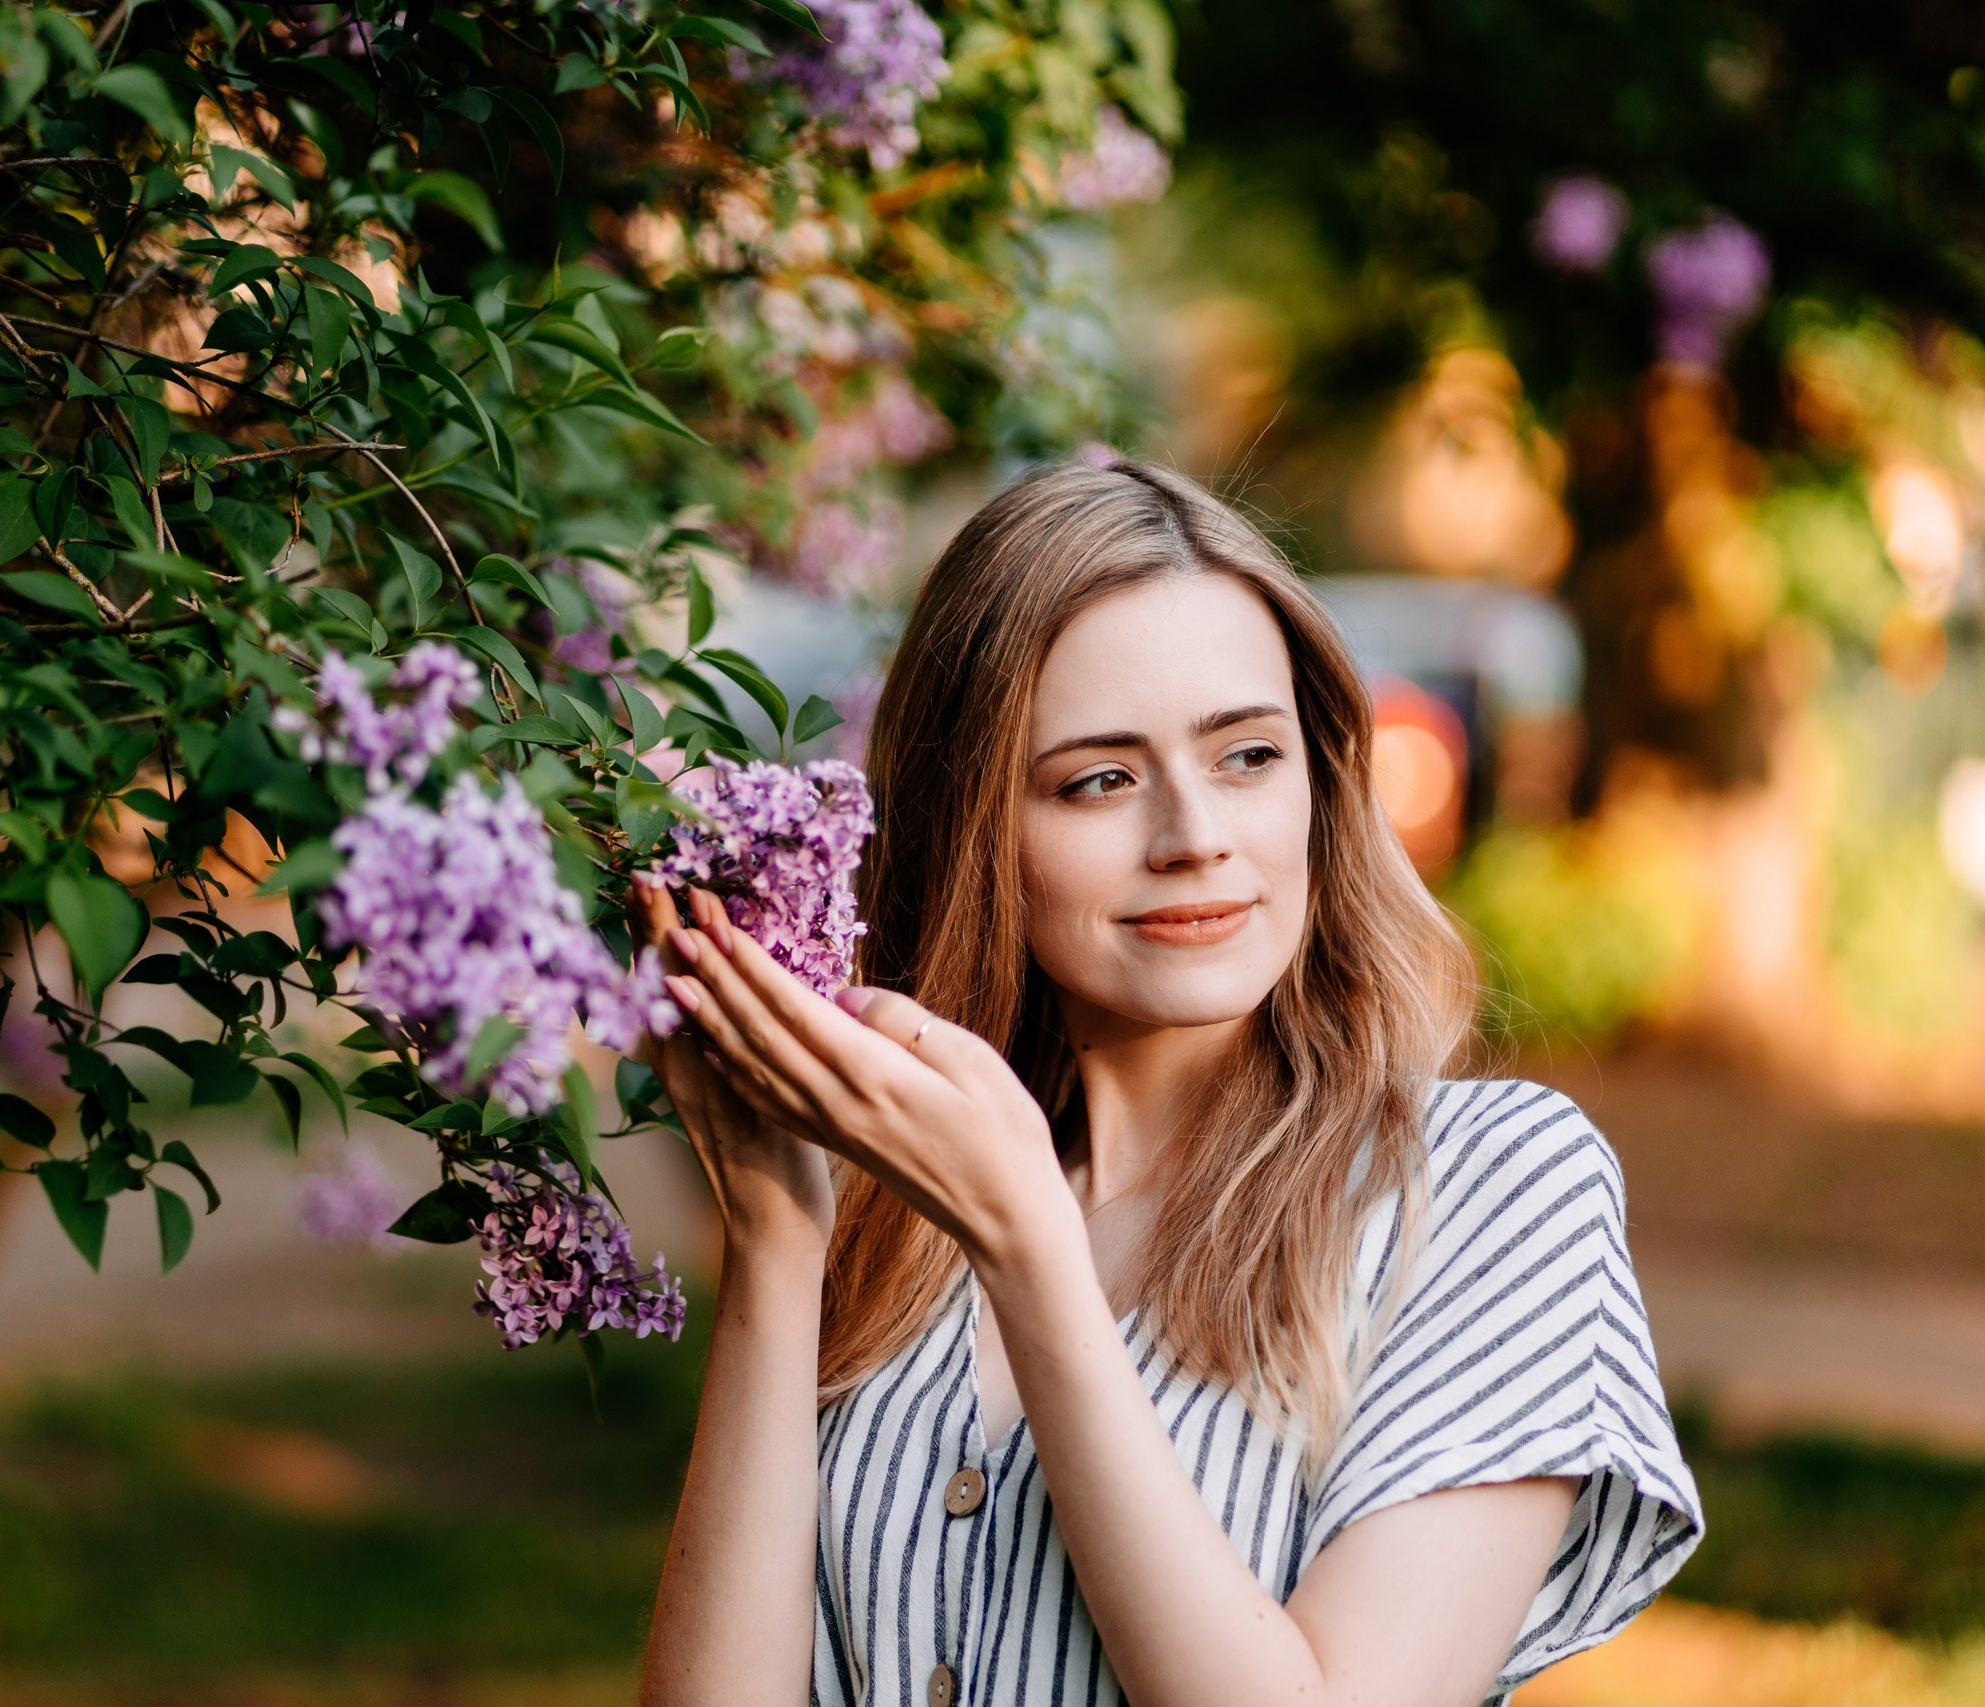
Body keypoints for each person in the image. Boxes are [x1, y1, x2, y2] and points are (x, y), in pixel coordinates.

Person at [635, 461, 1700, 1707]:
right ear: (974, 826)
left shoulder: (1484, 1191)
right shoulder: (891, 1223)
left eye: (1248, 755)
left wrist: (1030, 1246)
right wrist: (772, 1242)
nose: (1194, 832)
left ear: (1321, 777)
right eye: (1100, 779)